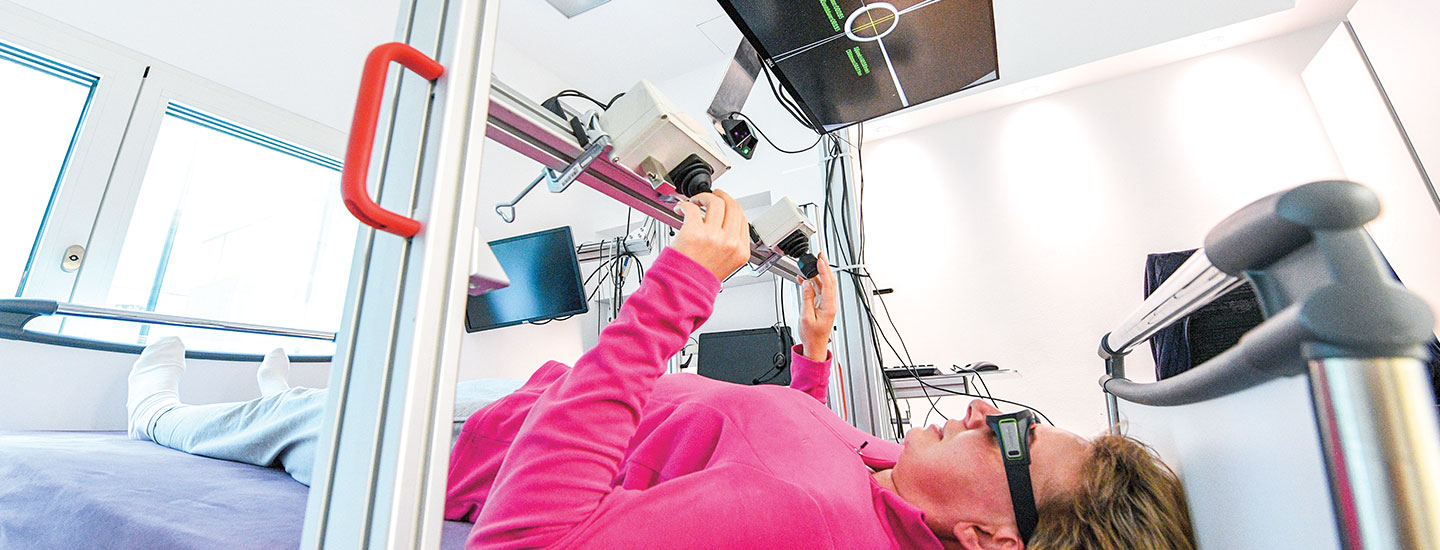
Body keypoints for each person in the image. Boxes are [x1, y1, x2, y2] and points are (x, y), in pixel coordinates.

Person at [126, 190, 1195, 549]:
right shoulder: (887, 482)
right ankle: (276, 387)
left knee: (262, 434)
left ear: (992, 537)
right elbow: (782, 439)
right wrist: (814, 362)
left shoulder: (817, 525)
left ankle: (158, 413)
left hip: (471, 459)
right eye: (1015, 410)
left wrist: (677, 287)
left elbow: (530, 541)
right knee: (315, 395)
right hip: (540, 408)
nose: (974, 410)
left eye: (1006, 434)